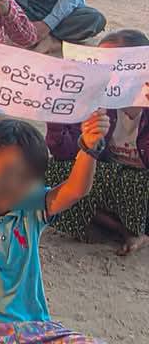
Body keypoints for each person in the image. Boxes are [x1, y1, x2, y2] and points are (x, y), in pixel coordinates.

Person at [0, 100, 110, 343]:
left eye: (25, 178)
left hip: (33, 329)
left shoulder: (33, 208)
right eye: (5, 170)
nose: (14, 184)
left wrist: (89, 147)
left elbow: (76, 189)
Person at [46, 29, 149, 257]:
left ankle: (135, 228)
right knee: (55, 172)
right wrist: (57, 115)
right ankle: (124, 229)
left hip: (142, 187)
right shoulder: (94, 101)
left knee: (133, 183)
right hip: (111, 179)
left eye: (117, 66)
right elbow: (64, 152)